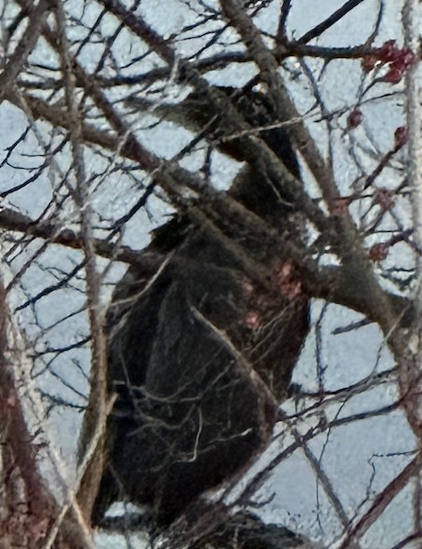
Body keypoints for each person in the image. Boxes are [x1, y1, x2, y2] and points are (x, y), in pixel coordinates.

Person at [93, 85, 308, 526]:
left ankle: (141, 500)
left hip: (132, 456)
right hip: (150, 462)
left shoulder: (238, 245)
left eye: (202, 122)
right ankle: (164, 505)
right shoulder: (262, 247)